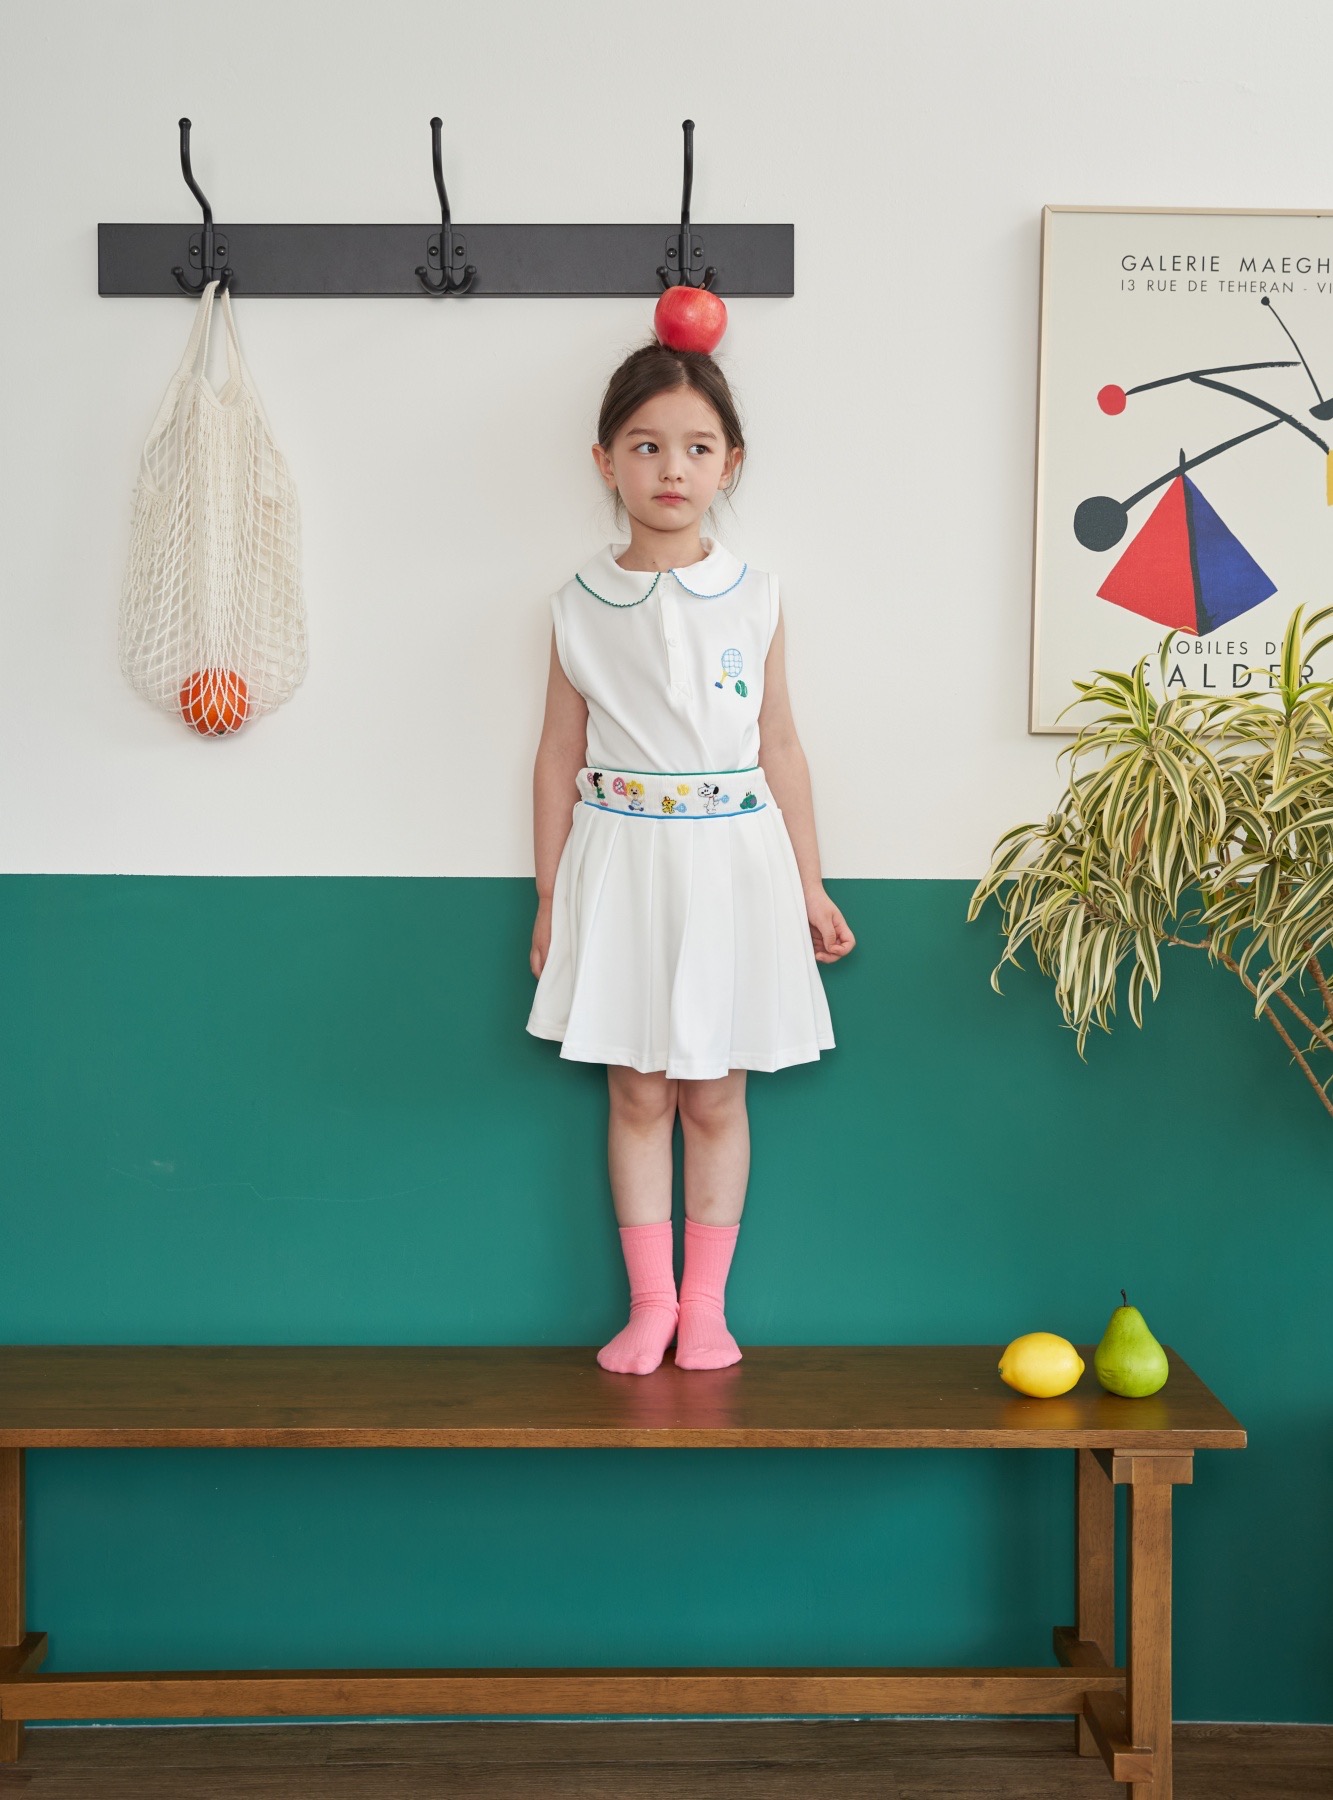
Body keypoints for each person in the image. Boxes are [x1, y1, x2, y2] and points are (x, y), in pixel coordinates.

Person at [526, 337, 854, 1376]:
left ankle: (706, 1308)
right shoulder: (577, 603)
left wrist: (808, 884)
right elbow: (557, 756)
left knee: (714, 1094)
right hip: (620, 863)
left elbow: (781, 744)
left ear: (730, 463)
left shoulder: (756, 594)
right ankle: (650, 1305)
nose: (672, 468)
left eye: (697, 447)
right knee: (636, 1092)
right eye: (646, 445)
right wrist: (549, 899)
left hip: (734, 864)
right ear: (604, 461)